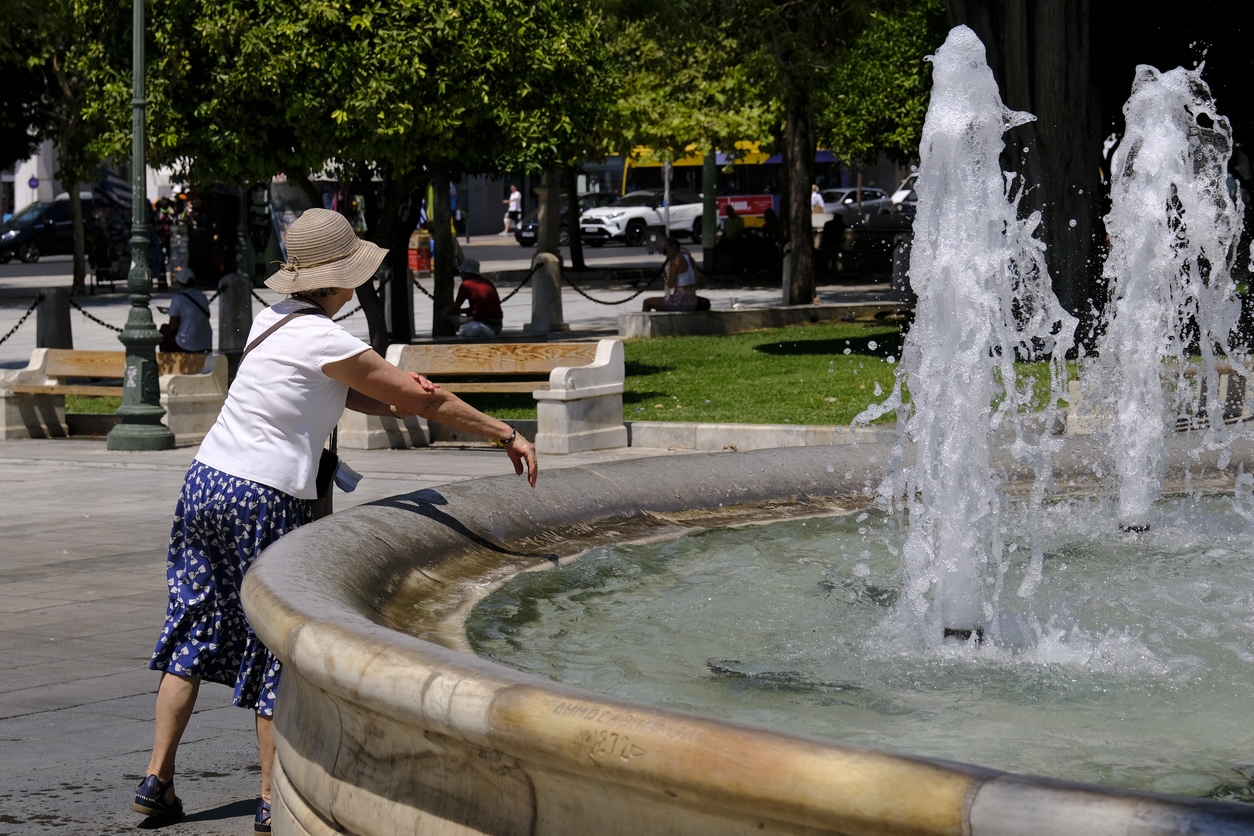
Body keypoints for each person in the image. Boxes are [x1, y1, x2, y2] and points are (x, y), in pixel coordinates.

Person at [131, 209, 538, 833]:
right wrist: (503, 432)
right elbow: (417, 398)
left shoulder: (273, 322)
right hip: (264, 496)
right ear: (341, 278)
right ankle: (272, 800)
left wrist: (398, 390)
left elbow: (341, 391)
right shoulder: (328, 338)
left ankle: (156, 781)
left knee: (193, 628)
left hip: (207, 482)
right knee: (276, 646)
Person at [440, 257, 504, 338]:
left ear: (468, 273)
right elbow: (481, 308)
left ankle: (452, 341)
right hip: (497, 327)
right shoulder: (487, 282)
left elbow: (455, 307)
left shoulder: (466, 284)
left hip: (483, 325)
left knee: (444, 317)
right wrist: (462, 311)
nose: (461, 274)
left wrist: (447, 310)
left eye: (462, 272)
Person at [159, 268, 212, 353]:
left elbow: (173, 326)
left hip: (187, 344)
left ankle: (169, 361)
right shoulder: (202, 296)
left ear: (180, 283)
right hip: (205, 343)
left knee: (164, 329)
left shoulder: (178, 298)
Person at [642, 237, 699, 312]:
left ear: (673, 247)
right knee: (661, 304)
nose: (664, 254)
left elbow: (671, 284)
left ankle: (644, 323)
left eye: (665, 250)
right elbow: (695, 280)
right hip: (692, 301)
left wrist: (664, 278)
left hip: (679, 302)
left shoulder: (675, 261)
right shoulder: (690, 259)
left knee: (647, 302)